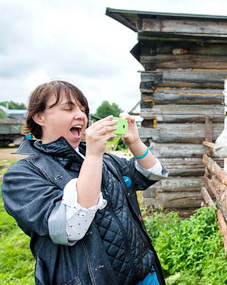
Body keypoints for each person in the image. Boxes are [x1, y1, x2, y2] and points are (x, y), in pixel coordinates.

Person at [2, 80, 168, 285]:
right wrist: (93, 155)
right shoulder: (22, 175)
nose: (81, 115)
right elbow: (71, 226)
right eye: (68, 108)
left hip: (145, 274)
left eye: (83, 109)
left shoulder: (105, 160)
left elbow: (152, 174)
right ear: (39, 117)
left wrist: (135, 143)